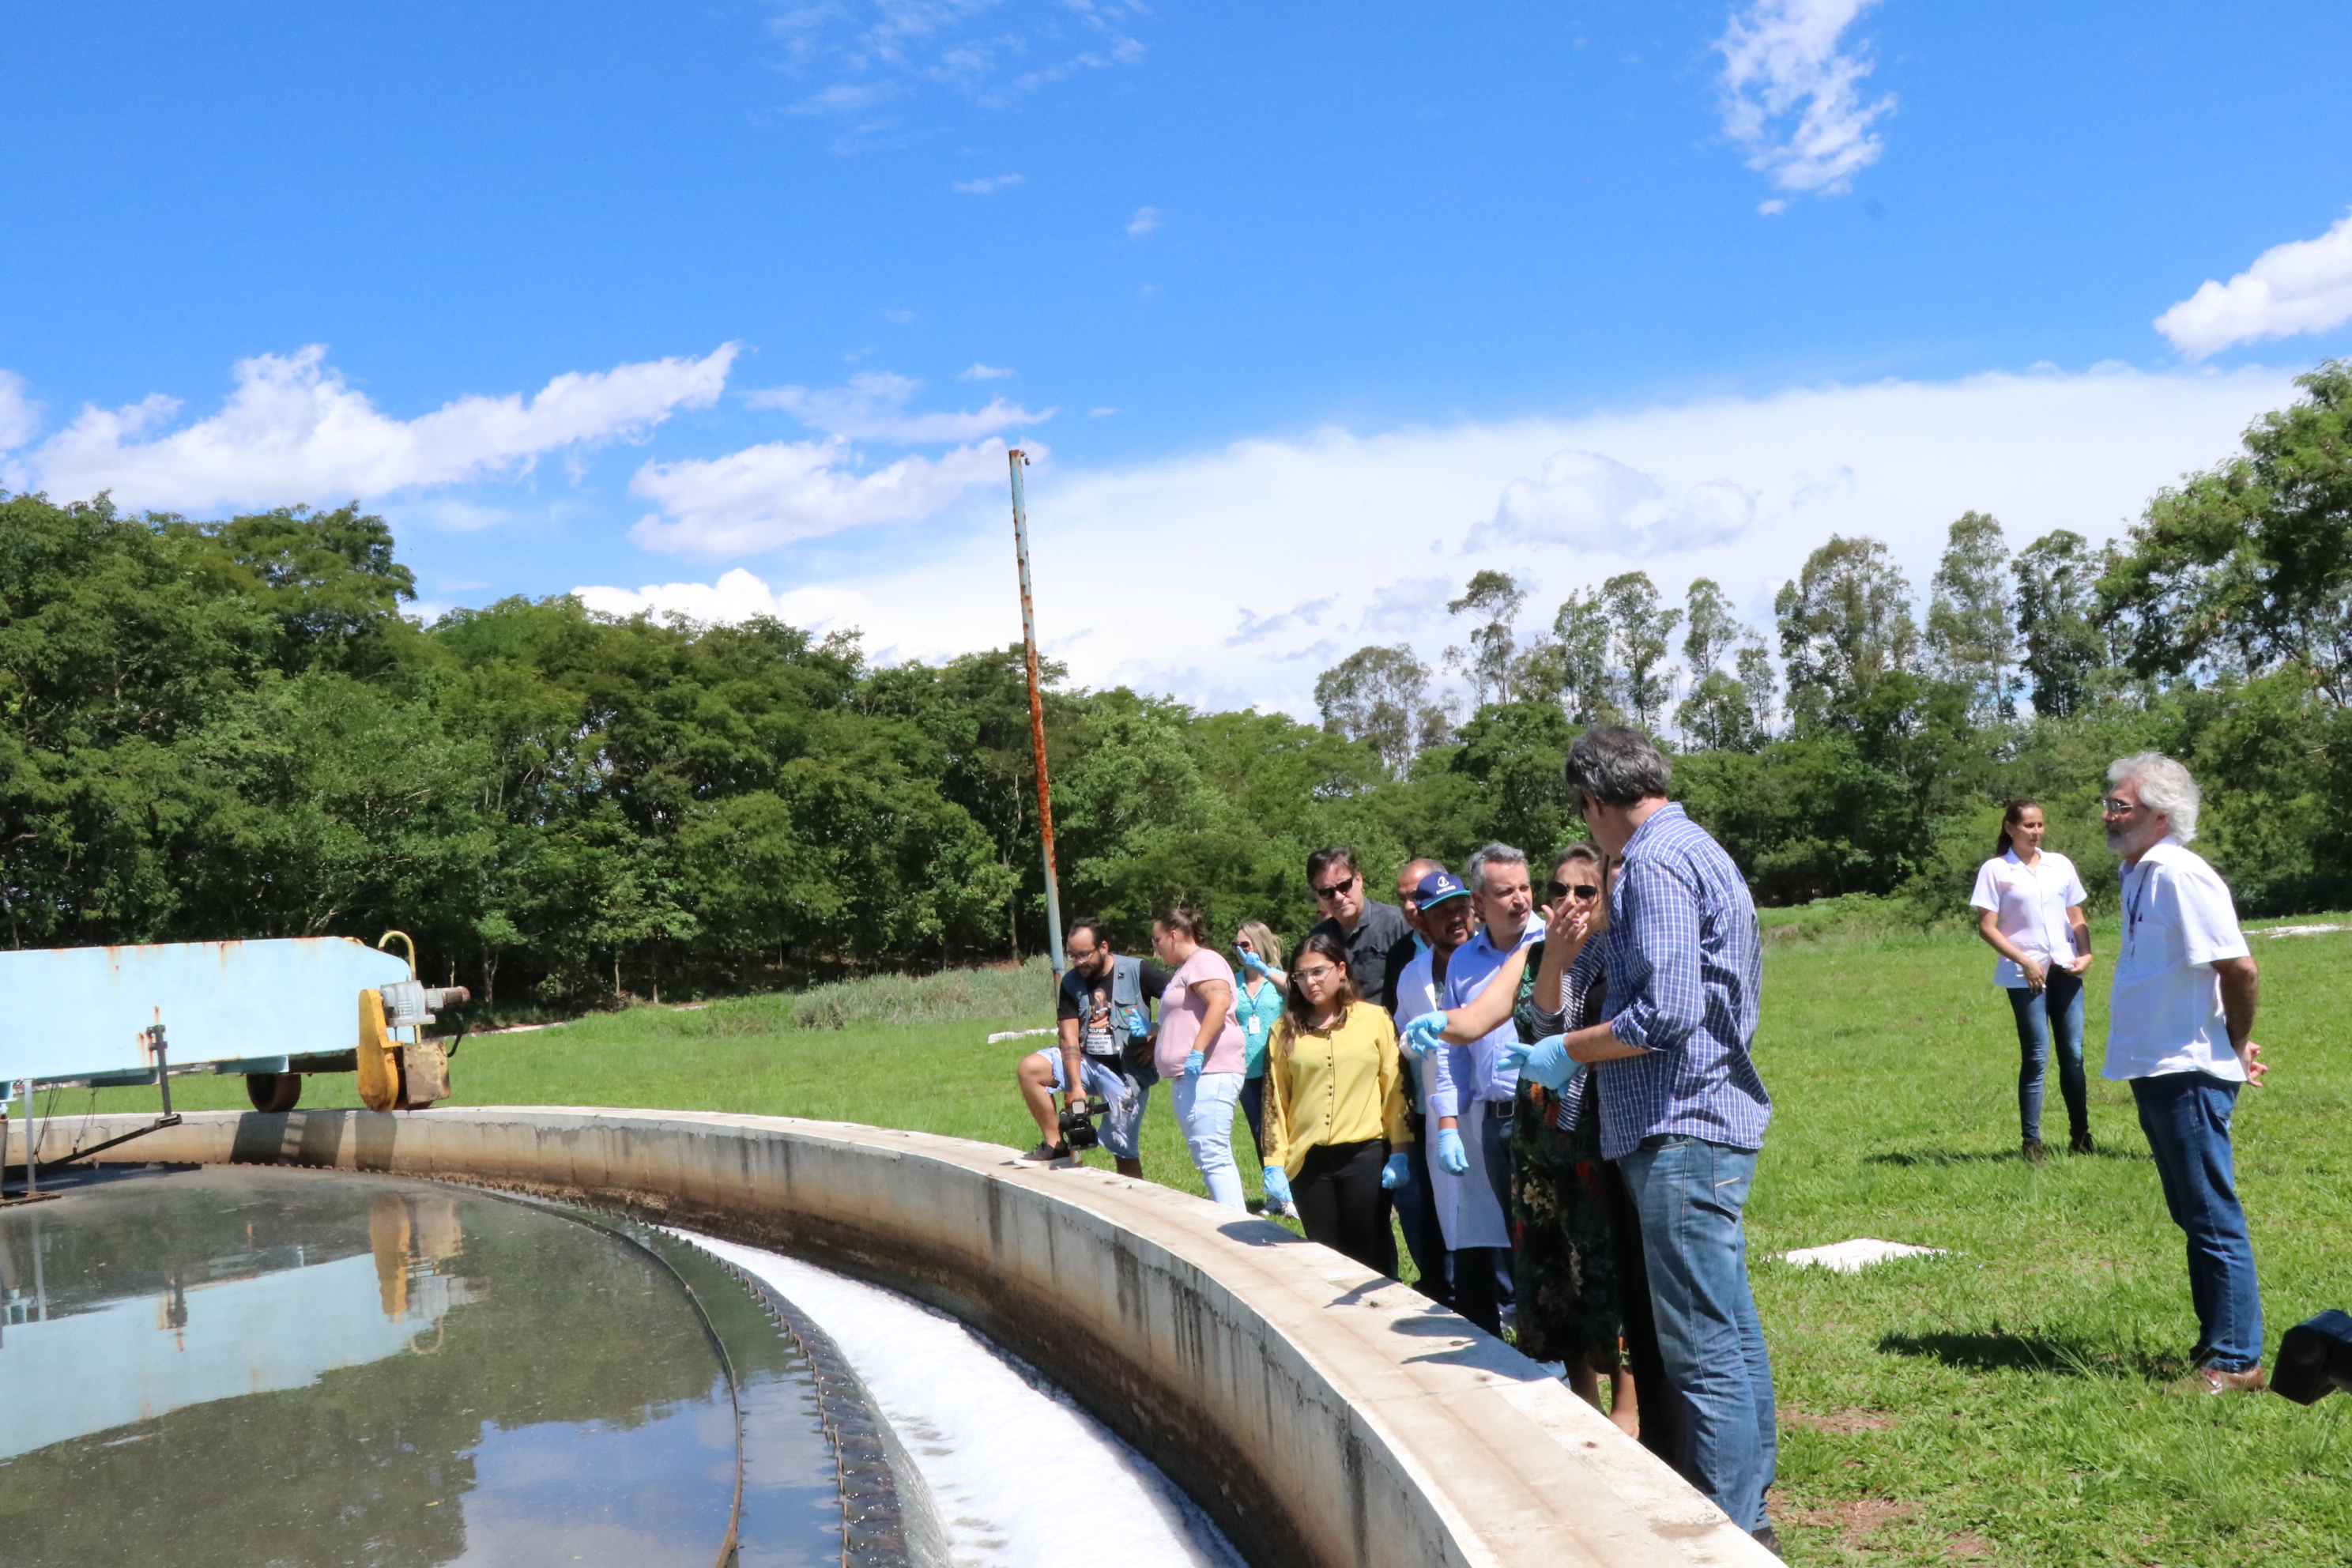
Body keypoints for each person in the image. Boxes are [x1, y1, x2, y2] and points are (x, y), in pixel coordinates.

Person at [1536, 725, 1777, 1551]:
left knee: (1699, 1346)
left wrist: (1566, 1049)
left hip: (1681, 1127)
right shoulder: (1698, 846)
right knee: (1728, 1326)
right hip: (1705, 1117)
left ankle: (1731, 1527)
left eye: (1586, 814)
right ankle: (1754, 1514)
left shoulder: (1651, 861)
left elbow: (1666, 1011)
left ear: (1596, 802)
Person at [2101, 752, 2268, 1395]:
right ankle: (2217, 1345)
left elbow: (2240, 968)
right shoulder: (2138, 873)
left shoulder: (2180, 874)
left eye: (2122, 807)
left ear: (2161, 816)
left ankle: (2236, 1362)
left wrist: (2237, 1041)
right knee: (2192, 1211)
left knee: (2210, 1212)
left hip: (2188, 1068)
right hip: (2158, 1064)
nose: (2109, 817)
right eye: (2110, 805)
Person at [1414, 844, 1540, 1337]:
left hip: (1555, 1112)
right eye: (1506, 892)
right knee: (1516, 1243)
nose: (1521, 900)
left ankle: (1578, 1359)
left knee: (1558, 1241)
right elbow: (1452, 1051)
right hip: (1496, 1119)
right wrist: (1447, 1124)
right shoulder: (1464, 962)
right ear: (1480, 902)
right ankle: (1536, 1344)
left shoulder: (1554, 943)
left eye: (1525, 887)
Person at [1258, 930, 1415, 1274]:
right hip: (1309, 1161)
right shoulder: (1284, 1030)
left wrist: (1401, 1152)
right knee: (1323, 1258)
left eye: (1319, 971)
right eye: (1301, 975)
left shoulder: (1375, 1019)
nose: (1310, 982)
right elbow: (1275, 1101)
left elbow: (1395, 1088)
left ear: (1341, 970)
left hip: (1366, 1155)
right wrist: (1273, 1161)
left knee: (1370, 1253)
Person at [1971, 799, 2095, 1160]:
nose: (2036, 832)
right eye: (2028, 826)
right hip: (2024, 974)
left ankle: (2081, 1135)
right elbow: (1986, 928)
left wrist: (2085, 952)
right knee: (2037, 1055)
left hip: (2065, 968)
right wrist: (2024, 960)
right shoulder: (1996, 870)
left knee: (2073, 1054)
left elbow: (2077, 915)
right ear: (2010, 828)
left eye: (2040, 825)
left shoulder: (2059, 865)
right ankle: (2032, 1143)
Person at [1019, 918, 1166, 1173]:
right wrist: (1075, 1086)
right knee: (1029, 1069)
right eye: (1073, 956)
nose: (1078, 962)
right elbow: (1068, 1037)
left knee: (1123, 1150)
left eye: (1084, 955)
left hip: (1126, 1074)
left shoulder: (1138, 971)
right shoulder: (1071, 982)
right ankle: (1056, 1146)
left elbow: (1184, 1000)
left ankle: (1134, 1204)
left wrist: (1159, 1036)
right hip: (1087, 1064)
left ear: (1104, 947)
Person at [1151, 906, 1250, 1210]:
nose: (1154, 947)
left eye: (1156, 940)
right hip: (1196, 1075)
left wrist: (1196, 1050)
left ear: (1173, 935)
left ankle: (1236, 1227)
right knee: (1207, 1154)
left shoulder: (1204, 961)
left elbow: (1219, 1002)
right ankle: (1227, 1219)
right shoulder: (1189, 967)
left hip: (1211, 1071)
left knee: (1213, 1155)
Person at [1387, 857, 1453, 1300]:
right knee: (1432, 1202)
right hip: (1421, 1094)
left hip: (1475, 1098)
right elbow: (1401, 1027)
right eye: (1404, 898)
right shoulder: (1402, 957)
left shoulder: (1472, 945)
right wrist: (1411, 1044)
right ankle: (1440, 1283)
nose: (1411, 905)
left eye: (1418, 894)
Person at [1304, 846, 1419, 1015]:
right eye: (1327, 892)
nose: (1338, 896)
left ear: (1359, 879)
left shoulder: (1397, 924)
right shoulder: (1318, 938)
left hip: (1391, 1032)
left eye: (1344, 886)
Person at [1232, 921, 1291, 1215]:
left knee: (1284, 1131)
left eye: (1245, 944)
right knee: (1260, 1133)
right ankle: (1275, 1196)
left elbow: (1297, 990)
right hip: (1246, 1071)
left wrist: (1265, 970)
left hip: (1278, 1066)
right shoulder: (1234, 981)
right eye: (1237, 946)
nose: (1241, 951)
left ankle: (1294, 1194)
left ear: (1260, 944)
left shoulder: (1277, 978)